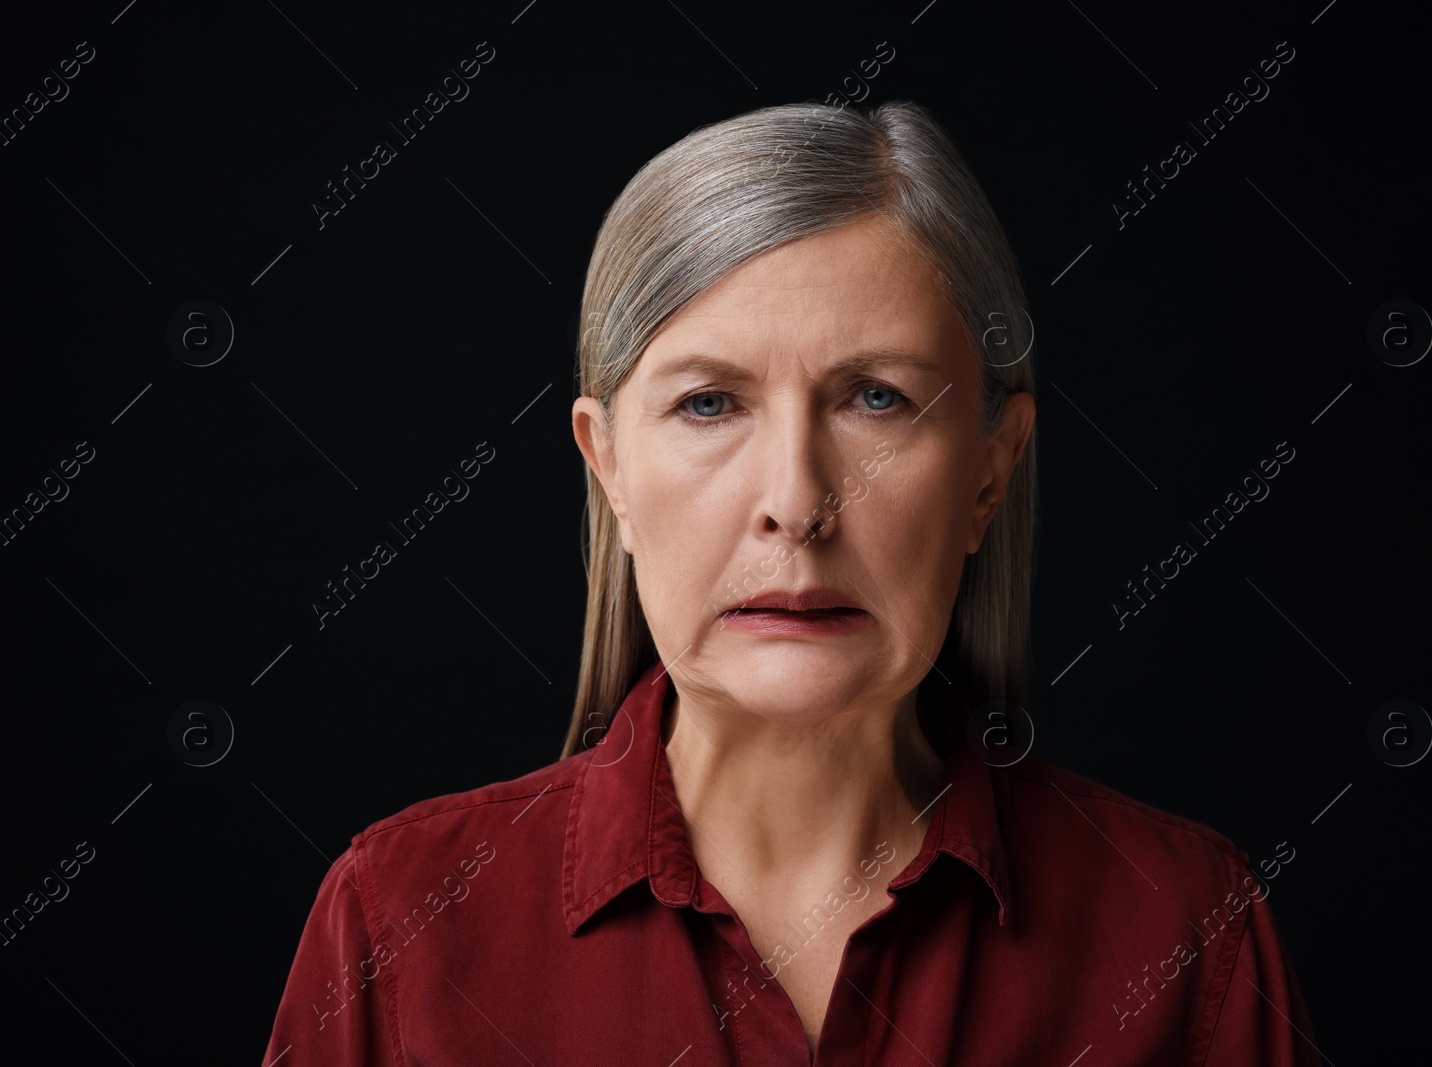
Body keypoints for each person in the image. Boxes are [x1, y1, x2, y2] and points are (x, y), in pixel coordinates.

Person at [260, 99, 1319, 1065]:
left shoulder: (1182, 928)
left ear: (990, 471)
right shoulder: (397, 924)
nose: (797, 502)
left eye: (874, 396)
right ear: (608, 465)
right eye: (710, 404)